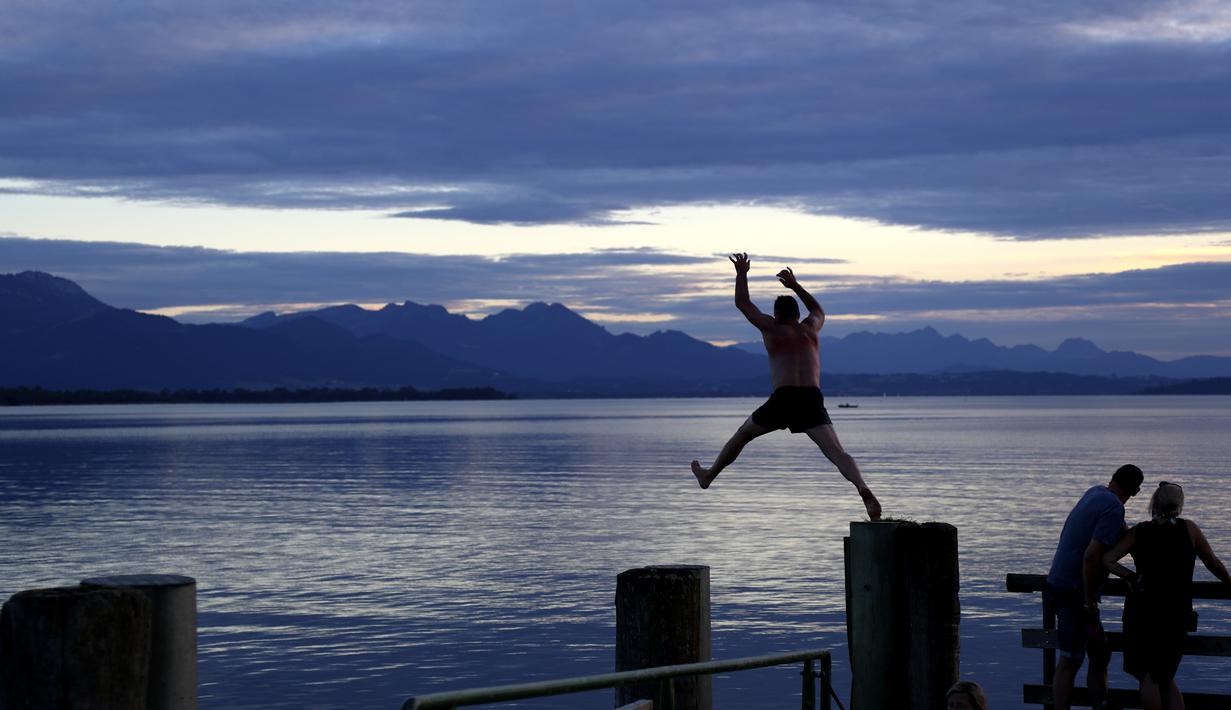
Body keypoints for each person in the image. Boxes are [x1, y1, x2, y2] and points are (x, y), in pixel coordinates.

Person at [690, 253, 881, 519]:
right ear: (797, 315)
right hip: (812, 398)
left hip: (784, 398)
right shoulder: (811, 330)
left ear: (778, 315)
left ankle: (708, 476)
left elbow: (743, 304)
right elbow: (819, 311)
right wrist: (795, 285)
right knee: (837, 452)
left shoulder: (773, 328)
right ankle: (862, 487)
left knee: (742, 435)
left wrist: (742, 273)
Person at [1102, 481, 1231, 710]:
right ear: (1179, 504)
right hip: (1175, 611)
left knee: (1149, 676)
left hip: (1141, 611)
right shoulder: (1189, 529)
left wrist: (1130, 576)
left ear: (1155, 502)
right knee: (1164, 674)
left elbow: (1108, 559)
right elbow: (1214, 563)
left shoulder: (1139, 531)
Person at [1046, 463, 1144, 710]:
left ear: (1113, 479)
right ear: (1136, 491)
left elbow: (1117, 534)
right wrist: (1089, 602)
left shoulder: (1096, 493)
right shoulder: (1113, 508)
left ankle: (1100, 704)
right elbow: (1091, 556)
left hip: (1059, 582)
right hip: (1075, 591)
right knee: (1070, 659)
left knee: (1099, 653)